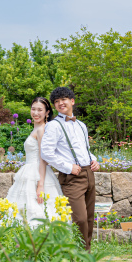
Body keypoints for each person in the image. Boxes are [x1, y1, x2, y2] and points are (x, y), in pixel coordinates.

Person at [40, 86, 100, 250]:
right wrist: (67, 167)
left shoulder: (81, 125)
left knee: (89, 217)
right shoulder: (53, 126)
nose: (60, 103)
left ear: (72, 101)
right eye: (56, 101)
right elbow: (46, 153)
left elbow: (85, 149)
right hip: (72, 177)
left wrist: (94, 160)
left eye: (64, 99)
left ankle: (86, 254)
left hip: (89, 173)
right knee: (79, 219)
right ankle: (79, 254)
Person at [1, 97, 65, 226]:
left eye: (40, 110)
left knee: (38, 209)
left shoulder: (42, 130)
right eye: (33, 109)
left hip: (37, 173)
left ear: (47, 112)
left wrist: (40, 185)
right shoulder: (36, 129)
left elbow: (43, 158)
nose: (35, 113)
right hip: (29, 171)